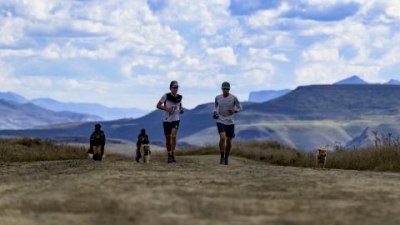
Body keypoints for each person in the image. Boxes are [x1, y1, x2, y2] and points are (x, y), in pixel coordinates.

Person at [213, 81, 242, 165]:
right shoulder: (218, 98)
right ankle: (222, 157)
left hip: (230, 122)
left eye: (227, 89)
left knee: (228, 141)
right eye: (224, 89)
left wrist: (235, 111)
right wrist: (215, 113)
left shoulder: (233, 98)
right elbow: (215, 107)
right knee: (222, 138)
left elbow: (240, 107)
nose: (225, 90)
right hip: (220, 120)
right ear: (222, 89)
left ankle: (226, 157)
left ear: (229, 89)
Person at [156, 80, 184, 163]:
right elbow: (158, 105)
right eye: (174, 88)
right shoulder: (166, 96)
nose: (176, 89)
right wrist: (167, 109)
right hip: (166, 120)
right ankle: (169, 155)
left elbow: (180, 106)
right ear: (170, 88)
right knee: (168, 138)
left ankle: (173, 153)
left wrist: (181, 110)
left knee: (173, 135)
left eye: (177, 88)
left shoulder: (180, 97)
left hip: (176, 119)